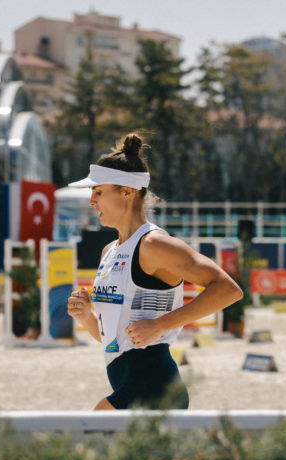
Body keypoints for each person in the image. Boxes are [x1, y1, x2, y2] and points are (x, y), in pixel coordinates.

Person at [66, 133, 243, 410]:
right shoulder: (109, 251)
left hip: (154, 385)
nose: (91, 201)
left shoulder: (154, 245)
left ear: (127, 192)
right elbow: (115, 339)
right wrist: (87, 317)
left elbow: (228, 289)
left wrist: (161, 325)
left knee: (90, 428)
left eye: (98, 192)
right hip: (130, 383)